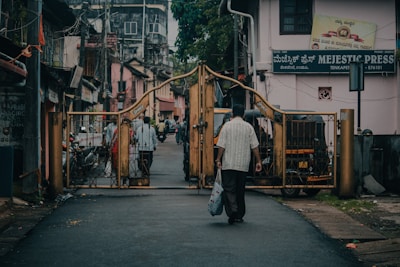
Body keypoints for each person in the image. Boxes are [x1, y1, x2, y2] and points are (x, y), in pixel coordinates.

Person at [215, 104, 262, 224]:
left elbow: (221, 145)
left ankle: (233, 211)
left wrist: (218, 159)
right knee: (240, 189)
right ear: (244, 114)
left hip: (228, 164)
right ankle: (239, 215)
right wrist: (258, 161)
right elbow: (255, 146)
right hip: (243, 164)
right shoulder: (248, 127)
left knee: (229, 189)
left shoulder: (226, 126)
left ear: (232, 114)